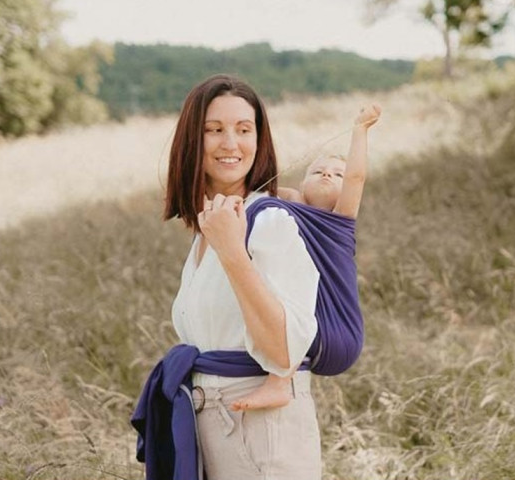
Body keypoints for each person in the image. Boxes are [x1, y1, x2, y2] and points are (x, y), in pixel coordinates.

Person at [132, 74, 323, 480]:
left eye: (243, 129)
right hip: (217, 430)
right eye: (214, 130)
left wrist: (234, 253)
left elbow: (284, 353)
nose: (230, 144)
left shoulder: (269, 220)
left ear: (260, 139)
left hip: (263, 437)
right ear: (191, 140)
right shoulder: (210, 229)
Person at [231, 104, 381, 411]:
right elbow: (258, 189)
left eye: (336, 174)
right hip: (310, 331)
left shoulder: (340, 220)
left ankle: (278, 383)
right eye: (317, 171)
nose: (327, 173)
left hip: (338, 331)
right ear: (301, 184)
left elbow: (356, 177)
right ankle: (275, 374)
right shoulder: (287, 210)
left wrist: (360, 131)